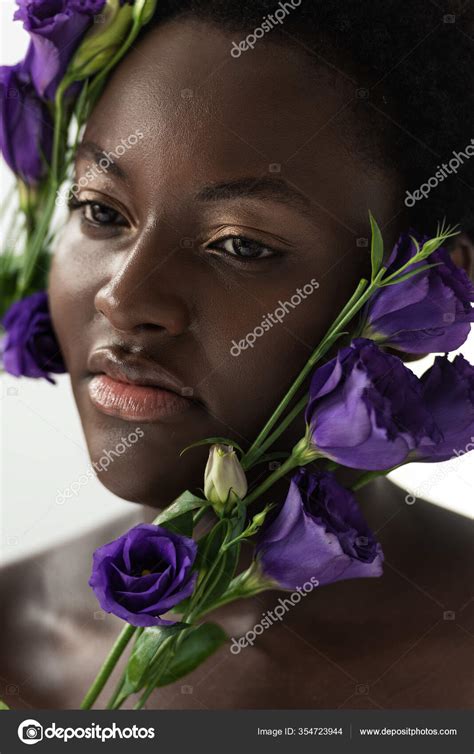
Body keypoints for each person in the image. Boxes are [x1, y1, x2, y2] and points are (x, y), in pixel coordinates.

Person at [2, 0, 473, 708]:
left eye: (241, 246)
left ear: (436, 285)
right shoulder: (12, 644)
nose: (124, 300)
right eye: (101, 210)